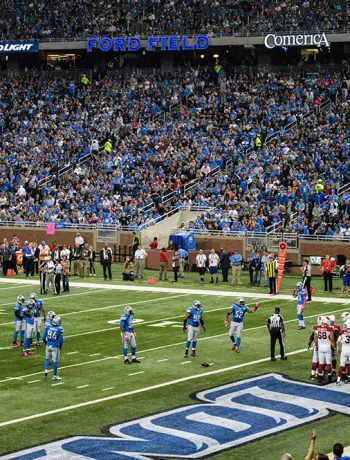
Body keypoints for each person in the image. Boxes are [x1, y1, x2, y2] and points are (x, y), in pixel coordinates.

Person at [314, 316, 335, 384]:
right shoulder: (329, 329)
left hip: (320, 347)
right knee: (328, 363)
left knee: (321, 363)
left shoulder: (317, 328)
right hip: (327, 347)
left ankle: (319, 378)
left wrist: (317, 345)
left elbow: (315, 339)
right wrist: (334, 346)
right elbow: (332, 339)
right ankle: (329, 378)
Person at [42, 315, 64, 380]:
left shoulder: (47, 327)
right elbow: (61, 340)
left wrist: (46, 343)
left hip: (48, 345)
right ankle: (55, 375)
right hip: (55, 346)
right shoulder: (59, 330)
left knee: (46, 358)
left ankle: (46, 370)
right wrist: (59, 347)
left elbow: (43, 337)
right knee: (55, 361)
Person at [336, 318, 350, 386]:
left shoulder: (342, 332)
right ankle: (349, 377)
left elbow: (338, 341)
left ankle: (338, 380)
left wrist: (338, 349)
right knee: (349, 364)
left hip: (344, 350)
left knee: (342, 365)